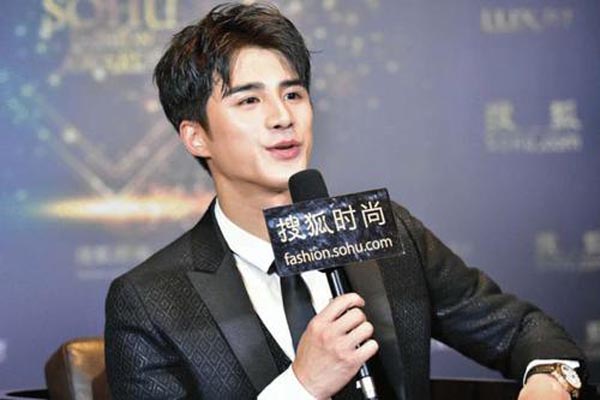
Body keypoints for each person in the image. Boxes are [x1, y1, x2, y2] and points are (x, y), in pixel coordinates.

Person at [104, 3, 589, 399]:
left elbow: (521, 328)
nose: (282, 117)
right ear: (195, 136)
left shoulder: (386, 232)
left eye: (293, 95)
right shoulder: (149, 301)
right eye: (249, 100)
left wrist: (550, 379)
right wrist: (302, 386)